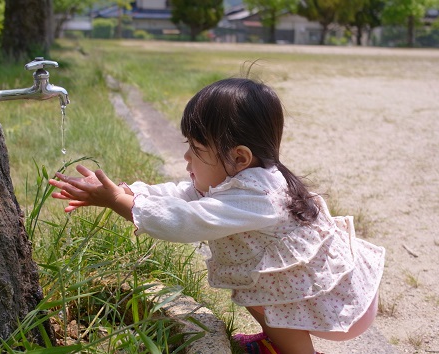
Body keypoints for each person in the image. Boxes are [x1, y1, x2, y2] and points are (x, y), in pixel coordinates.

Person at [49, 77, 385, 354]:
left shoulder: (257, 196)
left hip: (335, 303)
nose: (185, 157)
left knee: (267, 292)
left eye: (195, 149)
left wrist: (117, 202)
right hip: (304, 290)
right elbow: (182, 195)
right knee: (255, 284)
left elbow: (186, 221)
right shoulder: (242, 176)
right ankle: (276, 343)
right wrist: (129, 191)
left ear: (239, 157)